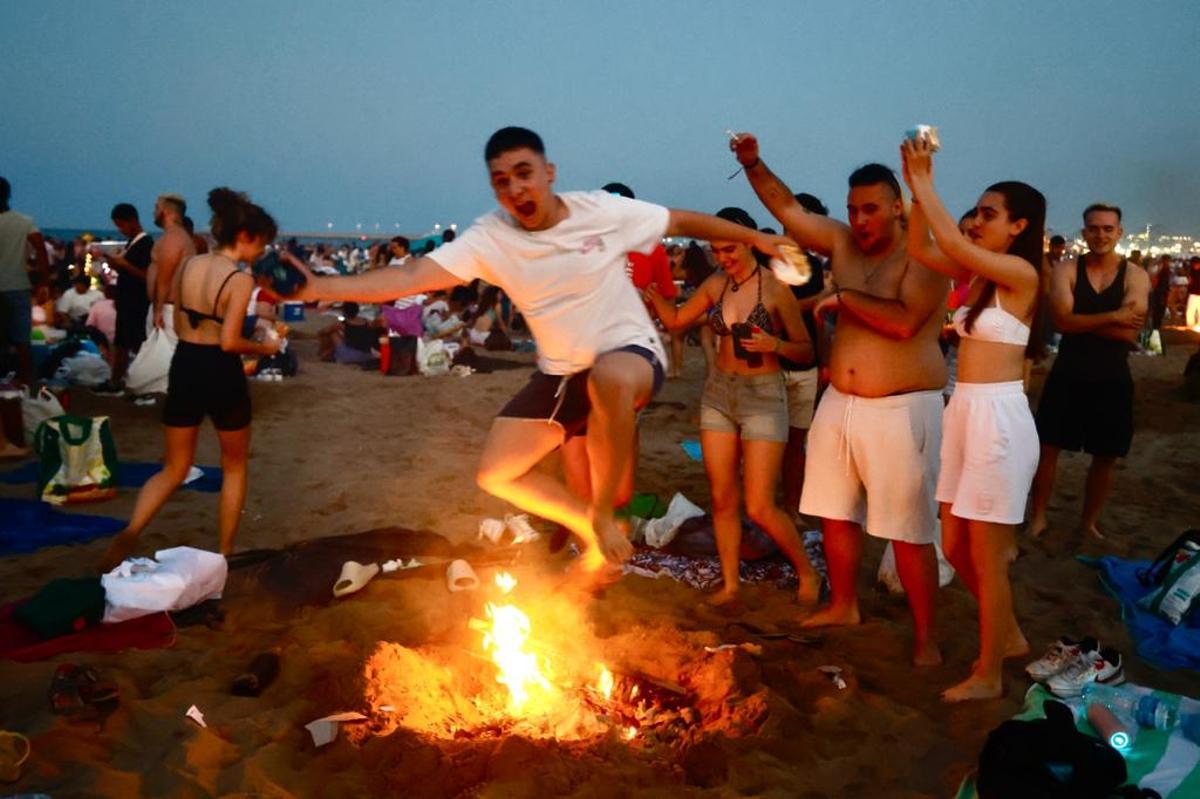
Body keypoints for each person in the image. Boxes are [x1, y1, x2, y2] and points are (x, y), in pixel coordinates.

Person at [289, 126, 796, 578]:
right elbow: (411, 276)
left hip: (629, 353)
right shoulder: (491, 237)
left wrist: (757, 238)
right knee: (496, 472)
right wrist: (318, 288)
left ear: (549, 173)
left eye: (524, 173)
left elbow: (681, 222)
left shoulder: (599, 212)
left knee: (608, 378)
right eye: (501, 181)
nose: (515, 188)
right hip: (560, 373)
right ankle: (588, 524)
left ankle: (603, 514)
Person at [731, 133, 949, 665]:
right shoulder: (843, 243)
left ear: (897, 207)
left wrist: (842, 296)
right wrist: (753, 163)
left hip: (902, 406)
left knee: (908, 529)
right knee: (835, 512)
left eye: (870, 209)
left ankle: (927, 637)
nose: (859, 220)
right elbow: (786, 208)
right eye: (852, 209)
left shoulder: (923, 254)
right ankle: (844, 604)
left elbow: (905, 323)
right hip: (840, 400)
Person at [901, 136, 1044, 701]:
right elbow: (920, 247)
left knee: (987, 557)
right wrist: (916, 192)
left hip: (999, 420)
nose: (978, 220)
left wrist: (926, 180)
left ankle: (988, 673)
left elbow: (953, 241)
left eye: (990, 213)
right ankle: (1008, 635)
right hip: (964, 410)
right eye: (977, 212)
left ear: (1018, 226)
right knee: (956, 545)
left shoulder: (1019, 274)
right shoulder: (981, 278)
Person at [644, 206, 821, 605]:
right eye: (716, 250)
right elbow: (677, 321)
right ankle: (730, 584)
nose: (722, 257)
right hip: (719, 394)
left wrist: (774, 344)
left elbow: (806, 349)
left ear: (749, 244)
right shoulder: (716, 284)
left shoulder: (775, 289)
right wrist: (653, 296)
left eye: (729, 249)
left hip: (764, 396)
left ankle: (806, 572)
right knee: (723, 498)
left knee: (759, 505)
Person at [99, 188, 282, 571]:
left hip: (185, 362)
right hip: (220, 369)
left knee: (174, 467)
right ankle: (225, 553)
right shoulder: (238, 280)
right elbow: (230, 341)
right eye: (261, 243)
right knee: (234, 466)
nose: (261, 251)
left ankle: (132, 529)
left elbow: (178, 319)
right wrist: (266, 348)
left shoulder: (188, 266)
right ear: (245, 236)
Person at [1028, 203, 1149, 540]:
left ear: (1119, 233)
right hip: (1068, 371)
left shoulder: (1135, 276)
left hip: (1112, 376)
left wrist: (1079, 321)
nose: (1101, 235)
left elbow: (1129, 334)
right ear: (1084, 232)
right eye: (1094, 228)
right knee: (1047, 448)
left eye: (1108, 229)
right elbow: (1061, 321)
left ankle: (1089, 522)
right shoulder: (1067, 269)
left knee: (1106, 455)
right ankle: (1038, 516)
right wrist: (1112, 317)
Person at [779, 192, 828, 514]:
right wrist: (822, 297)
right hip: (770, 362)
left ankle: (791, 507)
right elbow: (777, 312)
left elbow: (817, 320)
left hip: (805, 365)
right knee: (767, 441)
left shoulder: (813, 266)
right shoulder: (768, 259)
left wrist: (823, 361)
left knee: (796, 443)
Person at [90, 203, 153, 394]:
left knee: (133, 343)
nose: (120, 230)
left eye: (121, 225)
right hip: (128, 300)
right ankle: (117, 380)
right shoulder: (133, 242)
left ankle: (128, 380)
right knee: (123, 343)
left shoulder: (145, 244)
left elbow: (146, 275)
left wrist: (123, 264)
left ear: (131, 221)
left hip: (136, 302)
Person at [0, 176, 50, 384]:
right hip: (18, 286)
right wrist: (44, 283)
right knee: (22, 340)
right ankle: (24, 381)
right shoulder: (25, 222)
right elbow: (41, 251)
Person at [148, 194, 198, 333]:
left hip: (167, 310)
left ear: (166, 211)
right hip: (166, 308)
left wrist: (158, 310)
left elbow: (165, 277)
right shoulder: (176, 236)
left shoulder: (173, 238)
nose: (154, 212)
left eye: (157, 208)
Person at [1186, 256, 1200, 330]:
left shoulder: (1192, 272)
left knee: (1192, 310)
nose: (1195, 265)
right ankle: (1190, 325)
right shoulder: (1192, 272)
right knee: (1190, 310)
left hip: (1195, 294)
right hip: (1193, 293)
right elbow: (1190, 282)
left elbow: (1190, 282)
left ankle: (1193, 325)